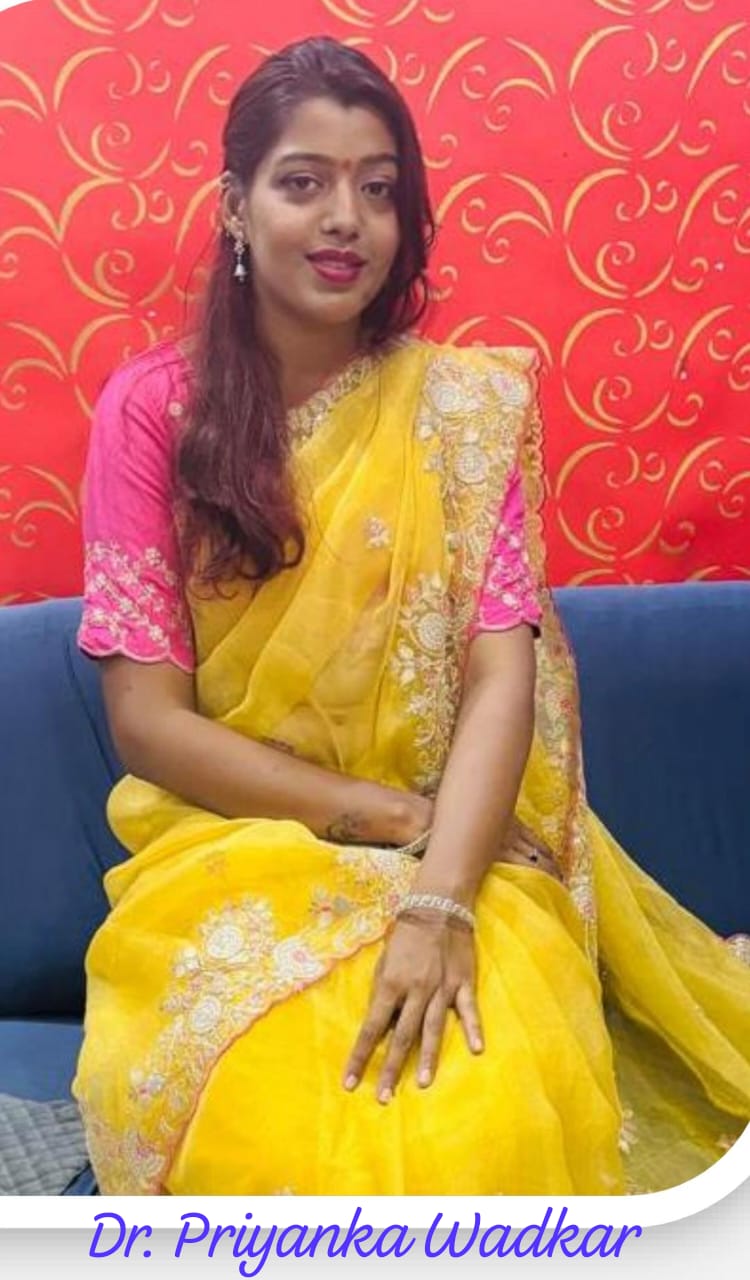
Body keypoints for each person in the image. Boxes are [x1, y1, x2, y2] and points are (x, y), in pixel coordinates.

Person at [72, 35, 750, 1196]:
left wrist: (440, 893)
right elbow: (147, 720)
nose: (346, 218)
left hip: (465, 848)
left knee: (481, 1117)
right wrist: (390, 815)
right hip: (232, 843)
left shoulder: (461, 411)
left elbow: (498, 675)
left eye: (378, 189)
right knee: (282, 1132)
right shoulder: (155, 411)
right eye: (304, 182)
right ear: (235, 207)